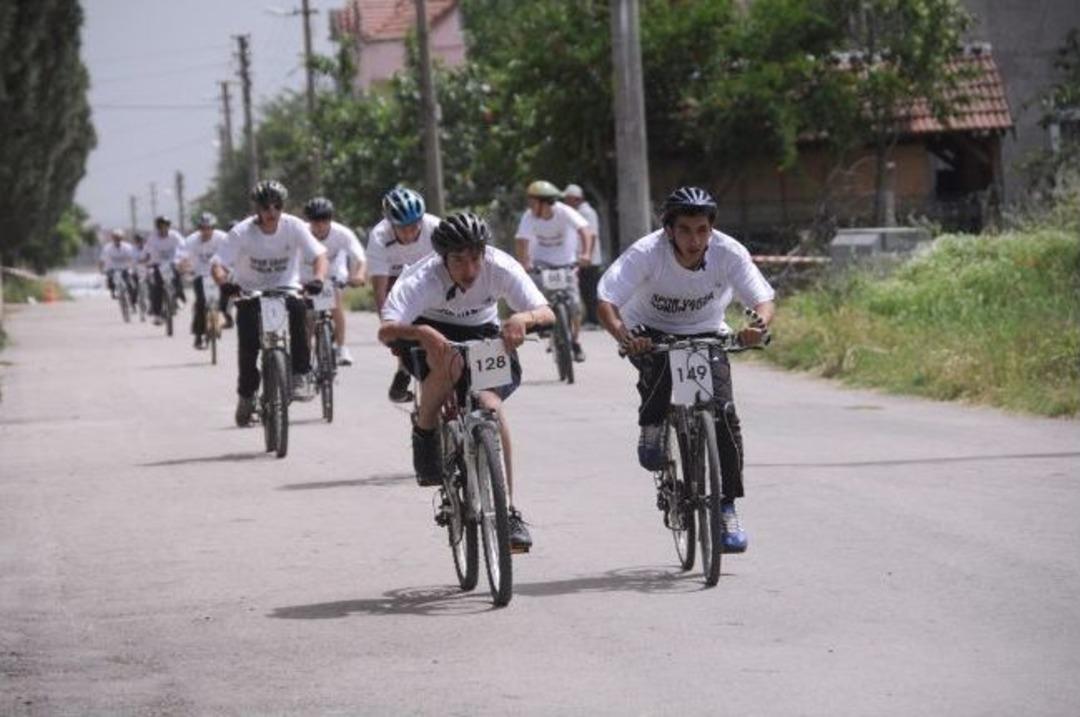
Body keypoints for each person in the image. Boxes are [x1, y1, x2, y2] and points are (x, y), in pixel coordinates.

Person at [596, 186, 775, 554]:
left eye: (702, 230)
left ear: (711, 229)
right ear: (669, 230)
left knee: (723, 412)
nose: (695, 240)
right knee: (658, 373)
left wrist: (758, 326)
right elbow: (606, 299)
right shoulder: (647, 253)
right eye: (685, 230)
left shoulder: (729, 252)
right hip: (647, 332)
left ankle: (726, 506)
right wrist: (624, 336)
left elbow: (762, 299)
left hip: (706, 333)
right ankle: (653, 424)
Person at [377, 212, 555, 551]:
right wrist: (418, 332)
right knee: (447, 365)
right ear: (443, 258)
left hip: (484, 333)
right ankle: (426, 429)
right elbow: (386, 329)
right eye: (458, 260)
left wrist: (522, 317)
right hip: (429, 332)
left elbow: (546, 312)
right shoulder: (420, 277)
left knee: (490, 404)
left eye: (475, 258)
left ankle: (508, 511)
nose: (469, 270)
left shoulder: (500, 266)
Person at [211, 180, 329, 426]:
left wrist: (318, 278)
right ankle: (246, 396)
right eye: (265, 207)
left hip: (286, 289)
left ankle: (300, 373)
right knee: (249, 346)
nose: (271, 212)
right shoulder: (241, 232)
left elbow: (319, 255)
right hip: (250, 293)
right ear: (257, 208)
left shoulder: (294, 226)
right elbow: (218, 264)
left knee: (299, 310)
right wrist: (224, 283)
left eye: (277, 206)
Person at [366, 187, 440, 402]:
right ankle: (404, 369)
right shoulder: (379, 236)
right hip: (395, 282)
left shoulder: (435, 228)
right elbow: (379, 290)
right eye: (402, 229)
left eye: (413, 227)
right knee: (402, 329)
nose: (409, 234)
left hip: (429, 278)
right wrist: (388, 327)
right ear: (391, 224)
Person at [514, 180, 595, 362]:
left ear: (545, 202)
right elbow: (522, 240)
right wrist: (524, 263)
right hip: (541, 263)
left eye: (533, 202)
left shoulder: (564, 211)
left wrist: (586, 253)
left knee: (574, 306)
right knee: (537, 295)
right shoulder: (529, 216)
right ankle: (542, 324)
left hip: (566, 262)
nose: (530, 206)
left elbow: (585, 230)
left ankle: (575, 341)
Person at [302, 197, 367, 366]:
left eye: (324, 220)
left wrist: (359, 275)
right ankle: (305, 354)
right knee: (307, 315)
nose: (320, 225)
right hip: (307, 274)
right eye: (315, 221)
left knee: (335, 303)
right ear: (309, 221)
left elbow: (360, 257)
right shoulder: (301, 232)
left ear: (330, 219)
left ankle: (342, 347)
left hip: (333, 273)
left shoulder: (342, 233)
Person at [182, 212, 228, 349]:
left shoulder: (223, 238)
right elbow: (184, 257)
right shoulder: (191, 241)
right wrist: (185, 267)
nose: (206, 231)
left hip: (218, 273)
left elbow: (232, 253)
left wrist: (229, 269)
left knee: (227, 293)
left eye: (209, 228)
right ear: (199, 228)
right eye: (203, 228)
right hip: (200, 275)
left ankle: (225, 317)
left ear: (213, 228)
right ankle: (198, 336)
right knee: (201, 303)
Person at [562, 183, 603, 327]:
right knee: (583, 290)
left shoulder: (586, 212)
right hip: (580, 258)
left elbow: (591, 235)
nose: (565, 202)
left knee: (589, 290)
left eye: (568, 199)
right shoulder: (576, 212)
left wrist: (588, 256)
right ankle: (589, 319)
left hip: (589, 260)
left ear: (576, 199)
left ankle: (594, 320)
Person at [141, 216, 187, 324]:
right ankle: (157, 313)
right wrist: (143, 258)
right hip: (158, 264)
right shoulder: (152, 238)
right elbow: (146, 250)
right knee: (157, 287)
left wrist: (183, 258)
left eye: (165, 226)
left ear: (168, 226)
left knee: (177, 279)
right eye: (161, 226)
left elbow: (184, 246)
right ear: (157, 227)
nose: (163, 229)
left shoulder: (175, 235)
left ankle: (179, 299)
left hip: (172, 263)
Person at [98, 229, 139, 304]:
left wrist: (132, 267)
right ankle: (113, 292)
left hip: (124, 268)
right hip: (112, 269)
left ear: (122, 238)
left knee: (130, 283)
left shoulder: (127, 247)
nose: (117, 239)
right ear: (112, 238)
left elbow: (132, 258)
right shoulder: (107, 248)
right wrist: (101, 270)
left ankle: (132, 299)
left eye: (119, 238)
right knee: (110, 279)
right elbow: (102, 260)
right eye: (115, 238)